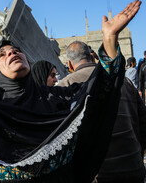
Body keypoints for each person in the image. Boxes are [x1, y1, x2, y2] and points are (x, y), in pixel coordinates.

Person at [0, 0, 141, 183]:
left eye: (16, 50)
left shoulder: (56, 99)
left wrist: (110, 39)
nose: (12, 54)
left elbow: (99, 93)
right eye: (3, 54)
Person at [58, 41, 146, 183]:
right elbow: (143, 123)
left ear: (69, 65)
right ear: (92, 58)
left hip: (96, 176)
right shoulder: (125, 81)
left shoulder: (64, 86)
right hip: (132, 168)